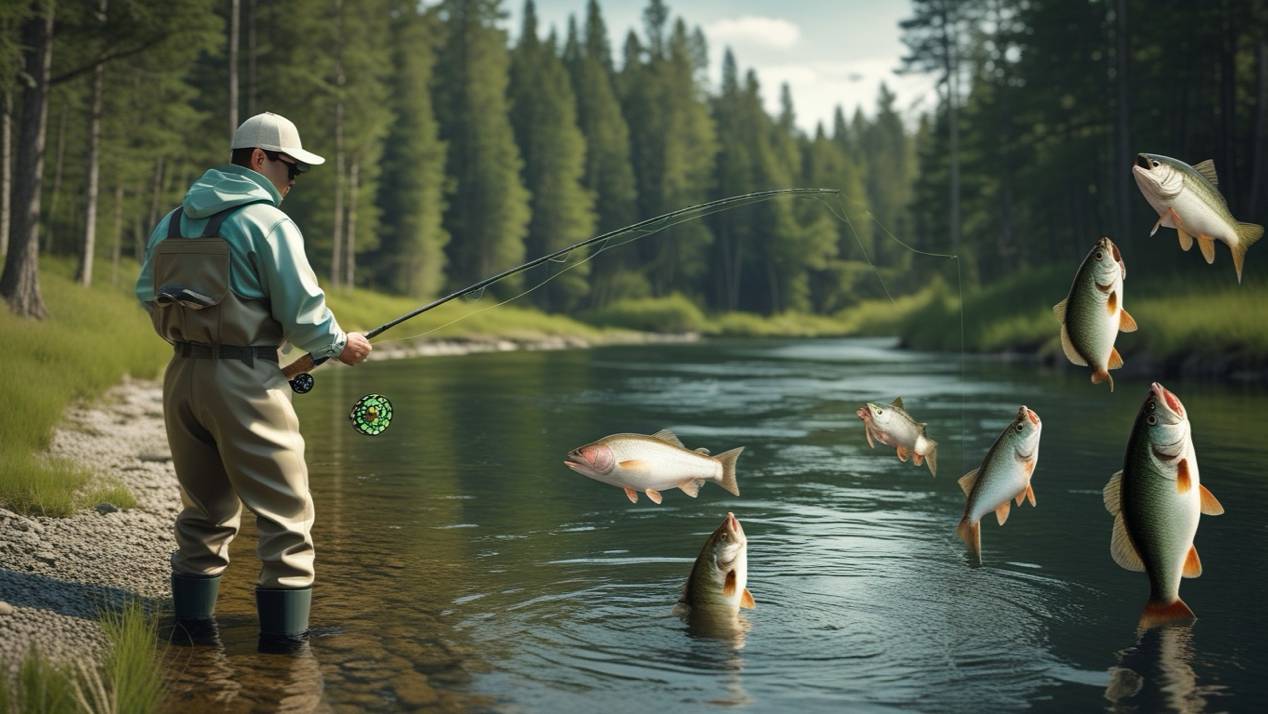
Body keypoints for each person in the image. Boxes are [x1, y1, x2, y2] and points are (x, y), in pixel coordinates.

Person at [135, 112, 371, 652]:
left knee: (204, 511)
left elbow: (147, 293)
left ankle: (192, 636)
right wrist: (342, 345)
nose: (292, 183)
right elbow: (305, 313)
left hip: (182, 378)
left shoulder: (172, 221)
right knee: (287, 518)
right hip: (246, 383)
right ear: (260, 159)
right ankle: (286, 653)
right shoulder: (268, 223)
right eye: (291, 169)